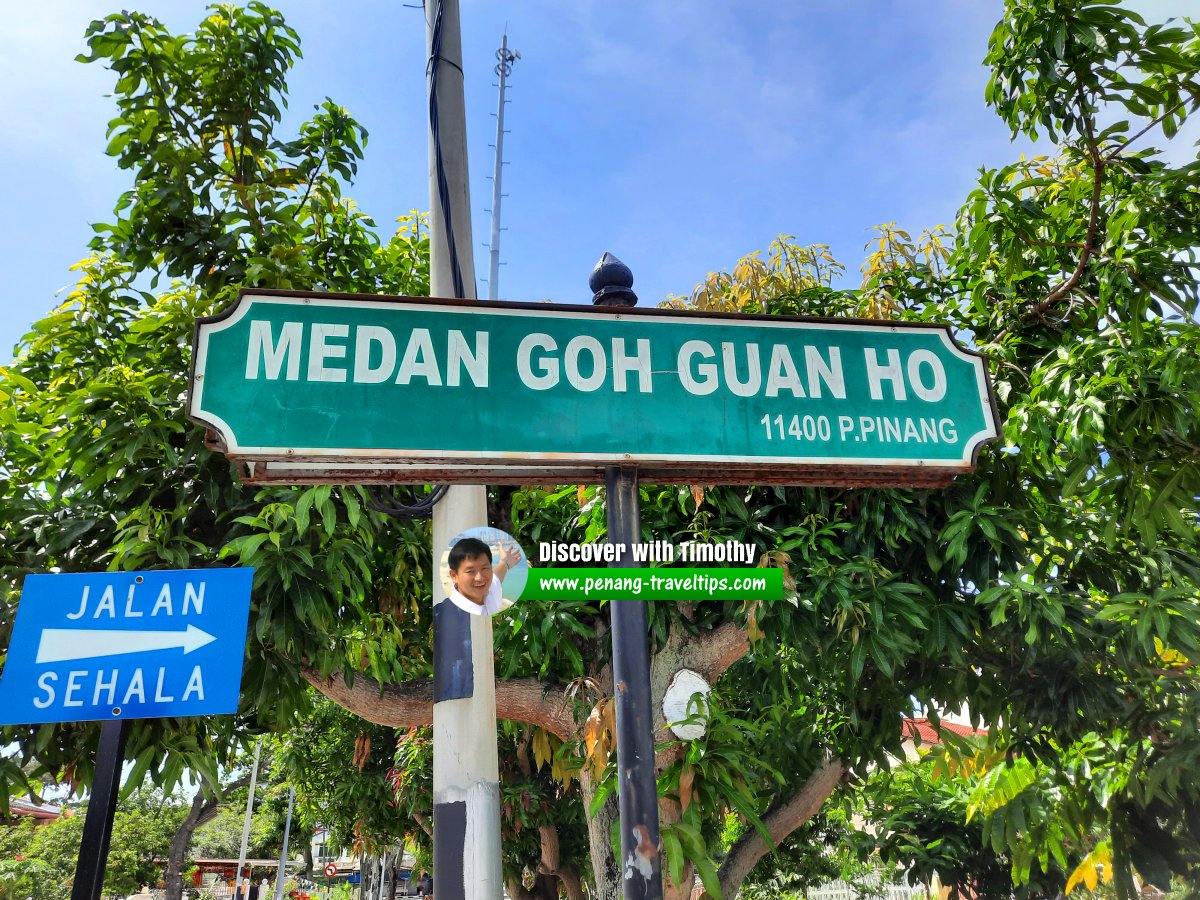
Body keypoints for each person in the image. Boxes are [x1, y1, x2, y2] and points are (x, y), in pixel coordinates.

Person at [446, 536, 521, 616]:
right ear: (454, 576)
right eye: (470, 571)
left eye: (484, 568)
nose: (480, 578)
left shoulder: (490, 589)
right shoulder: (452, 614)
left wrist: (505, 562)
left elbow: (497, 575)